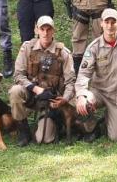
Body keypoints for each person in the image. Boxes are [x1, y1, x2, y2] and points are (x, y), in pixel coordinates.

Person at [74, 9, 117, 141]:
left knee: (116, 136)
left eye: (113, 22)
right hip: (99, 93)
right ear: (101, 24)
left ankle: (113, 119)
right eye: (107, 22)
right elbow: (83, 75)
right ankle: (92, 127)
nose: (110, 26)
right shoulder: (94, 47)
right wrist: (82, 95)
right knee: (79, 100)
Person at [9, 16, 76, 146]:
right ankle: (23, 130)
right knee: (15, 91)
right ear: (36, 30)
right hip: (31, 95)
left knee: (44, 139)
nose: (45, 33)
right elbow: (18, 75)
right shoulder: (27, 48)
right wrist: (35, 89)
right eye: (42, 29)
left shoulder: (63, 52)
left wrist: (64, 99)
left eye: (49, 29)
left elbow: (70, 81)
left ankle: (56, 122)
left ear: (53, 31)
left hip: (51, 100)